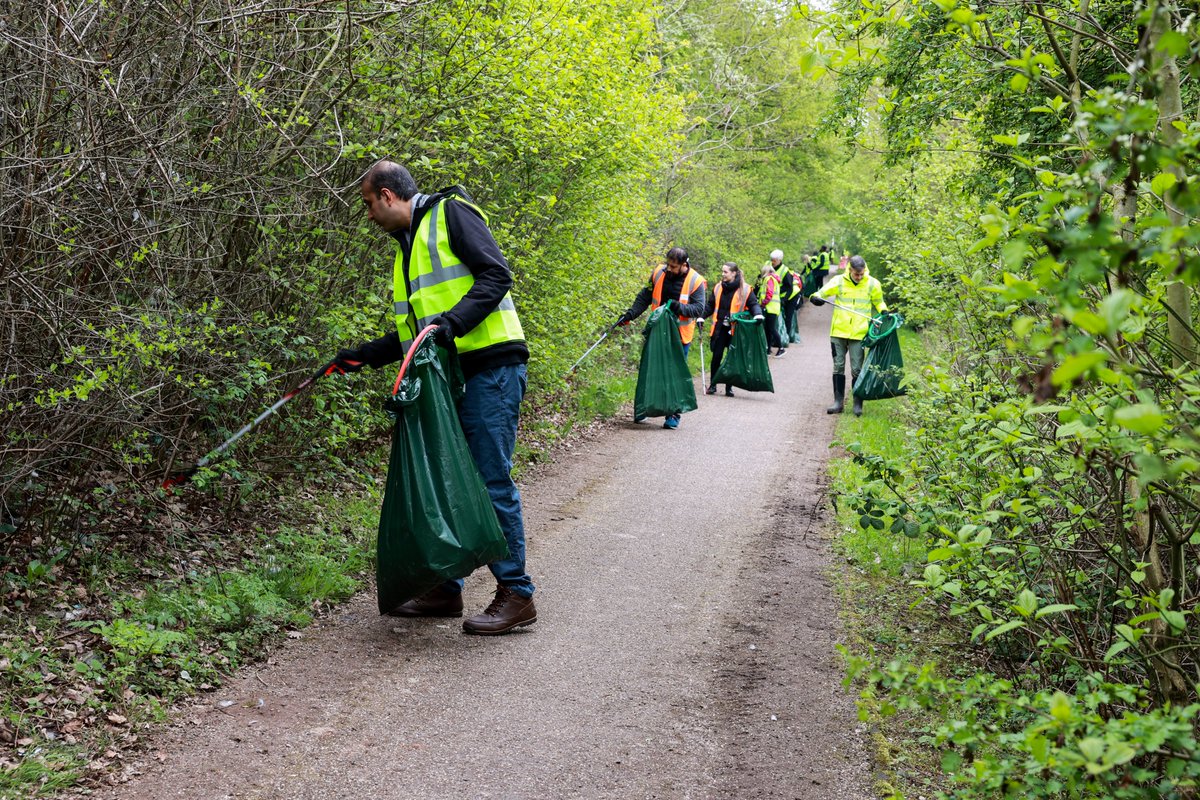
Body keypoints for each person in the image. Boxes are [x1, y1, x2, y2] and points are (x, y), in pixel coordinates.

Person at [333, 160, 536, 636]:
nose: (367, 216)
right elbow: (417, 330)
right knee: (450, 481)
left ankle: (518, 594)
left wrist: (453, 323)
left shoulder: (452, 214)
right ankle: (447, 587)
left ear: (387, 195)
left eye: (367, 204)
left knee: (488, 480)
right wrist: (364, 356)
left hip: (491, 366)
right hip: (451, 375)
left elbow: (495, 276)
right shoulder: (406, 249)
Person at [617, 246, 707, 429]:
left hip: (680, 336)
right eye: (668, 264)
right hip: (657, 330)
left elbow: (699, 309)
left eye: (674, 267)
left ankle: (673, 415)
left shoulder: (696, 281)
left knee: (675, 376)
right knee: (650, 370)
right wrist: (630, 314)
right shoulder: (659, 273)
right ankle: (643, 409)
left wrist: (677, 307)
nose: (669, 269)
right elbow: (645, 296)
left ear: (684, 265)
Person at [810, 255, 888, 417]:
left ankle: (857, 404)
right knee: (838, 366)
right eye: (856, 274)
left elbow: (879, 302)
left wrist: (884, 311)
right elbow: (822, 292)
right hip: (838, 331)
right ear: (850, 270)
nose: (859, 277)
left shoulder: (872, 283)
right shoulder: (839, 281)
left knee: (857, 369)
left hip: (859, 333)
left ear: (864, 270)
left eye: (861, 274)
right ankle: (838, 402)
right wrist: (815, 297)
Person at [702, 262, 763, 396]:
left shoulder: (745, 290)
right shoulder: (718, 287)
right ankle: (713, 385)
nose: (722, 274)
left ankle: (729, 387)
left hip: (735, 331)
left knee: (731, 359)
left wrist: (758, 314)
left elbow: (753, 304)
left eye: (725, 272)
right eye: (722, 272)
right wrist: (701, 317)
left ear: (734, 273)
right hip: (719, 329)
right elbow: (710, 305)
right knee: (716, 357)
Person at [770, 249, 802, 347]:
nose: (772, 262)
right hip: (780, 295)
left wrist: (784, 300)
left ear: (779, 260)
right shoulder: (769, 266)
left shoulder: (785, 271)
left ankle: (785, 338)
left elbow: (789, 287)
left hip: (791, 295)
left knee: (788, 316)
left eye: (774, 260)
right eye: (771, 259)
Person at [754, 261, 784, 357]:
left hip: (770, 307)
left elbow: (769, 294)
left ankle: (781, 348)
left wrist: (763, 304)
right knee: (768, 328)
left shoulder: (769, 279)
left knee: (771, 328)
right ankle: (768, 349)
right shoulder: (772, 279)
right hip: (772, 307)